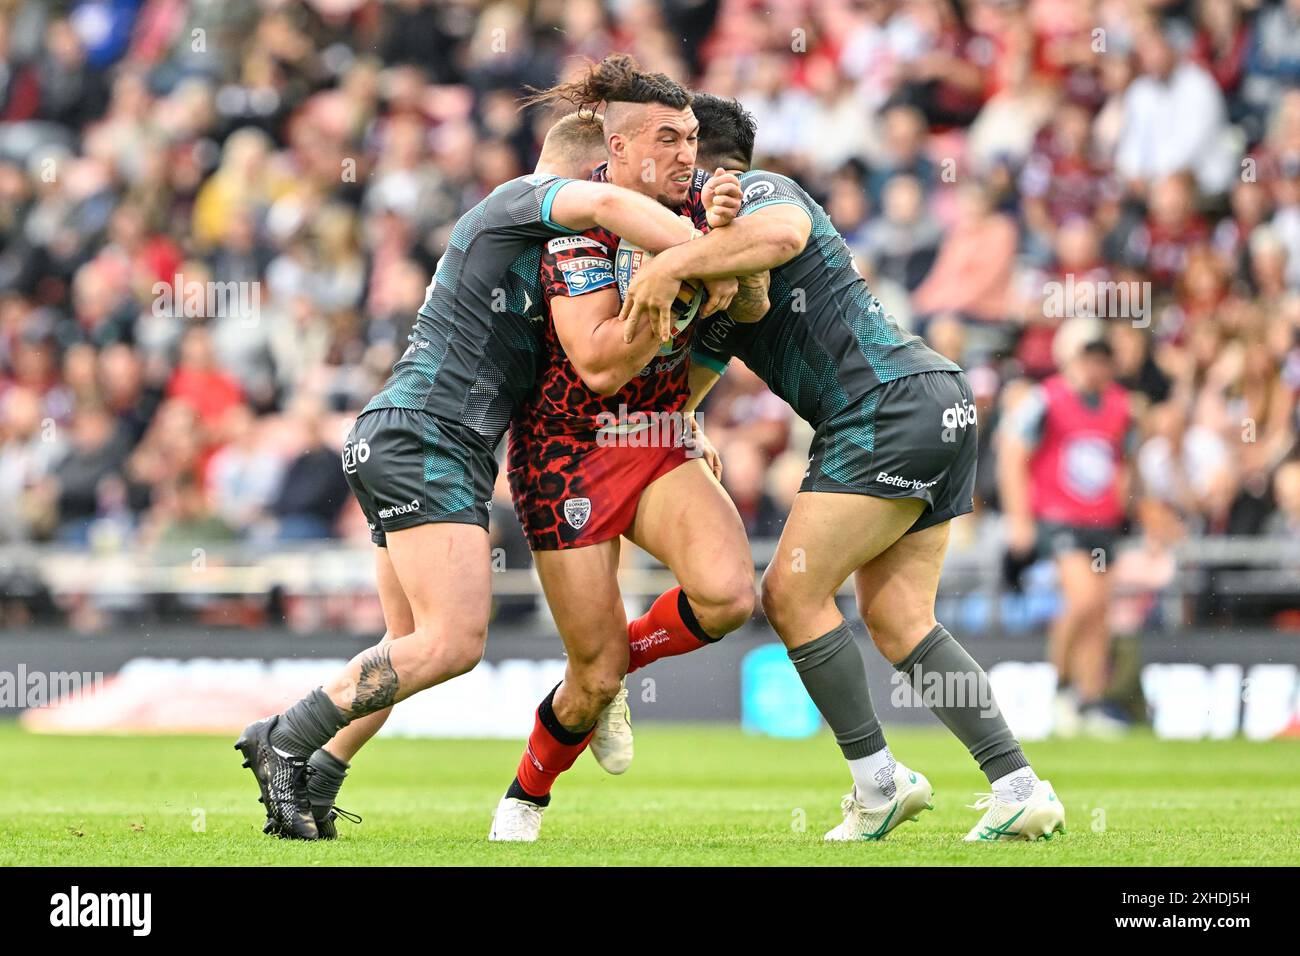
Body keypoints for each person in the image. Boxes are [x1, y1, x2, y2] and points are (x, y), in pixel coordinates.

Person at [236, 112, 734, 840]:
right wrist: (704, 253)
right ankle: (281, 737)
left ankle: (317, 776)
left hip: (411, 435)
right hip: (428, 437)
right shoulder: (524, 199)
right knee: (454, 641)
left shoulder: (555, 257)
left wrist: (682, 417)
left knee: (404, 643)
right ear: (589, 169)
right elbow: (603, 206)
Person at [620, 94, 1064, 842]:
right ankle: (1020, 785)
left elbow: (784, 231)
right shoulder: (720, 263)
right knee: (899, 619)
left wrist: (668, 266)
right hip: (933, 404)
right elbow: (686, 387)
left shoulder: (761, 194)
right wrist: (678, 426)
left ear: (700, 158)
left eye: (673, 152)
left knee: (790, 594)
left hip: (882, 407)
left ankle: (879, 784)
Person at [486, 57, 764, 842]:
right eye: (671, 140)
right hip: (564, 451)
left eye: (694, 139)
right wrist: (669, 281)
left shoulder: (693, 210)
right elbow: (602, 365)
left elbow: (752, 299)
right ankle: (526, 794)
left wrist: (724, 249)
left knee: (730, 597)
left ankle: (612, 667)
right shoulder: (573, 227)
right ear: (621, 150)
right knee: (591, 677)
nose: (689, 155)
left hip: (655, 438)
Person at [999, 318, 1135, 737]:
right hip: (1060, 517)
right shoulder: (1046, 399)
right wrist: (1019, 518)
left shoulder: (1119, 404)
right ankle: (1059, 687)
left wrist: (1131, 508)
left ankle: (1089, 698)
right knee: (1081, 602)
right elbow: (1011, 451)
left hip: (1103, 519)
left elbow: (1124, 461)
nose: (1095, 368)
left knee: (1099, 612)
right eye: (1088, 358)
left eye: (1101, 360)